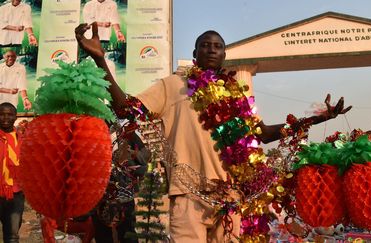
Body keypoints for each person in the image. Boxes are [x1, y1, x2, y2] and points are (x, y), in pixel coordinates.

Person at [75, 23, 351, 242]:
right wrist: (101, 60)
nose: (211, 49)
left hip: (231, 199)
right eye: (205, 45)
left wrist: (317, 119)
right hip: (188, 196)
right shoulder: (173, 85)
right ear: (195, 54)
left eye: (217, 46)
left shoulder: (238, 99)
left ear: (224, 55)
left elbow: (264, 134)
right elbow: (126, 109)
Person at [0, 102, 24, 243]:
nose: (5, 118)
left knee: (12, 236)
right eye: (2, 114)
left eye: (9, 114)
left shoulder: (23, 139)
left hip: (15, 195)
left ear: (15, 117)